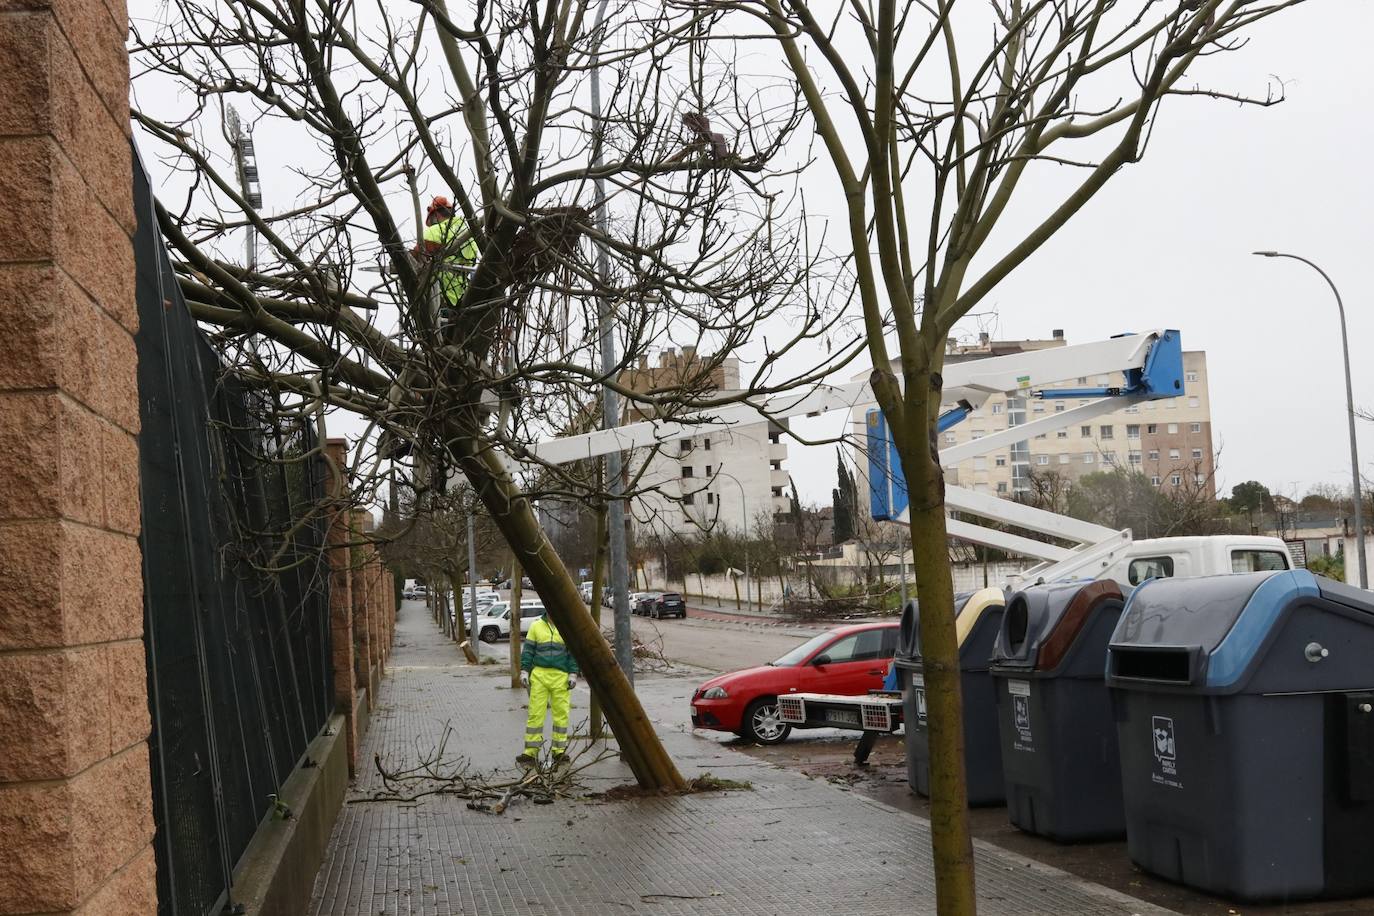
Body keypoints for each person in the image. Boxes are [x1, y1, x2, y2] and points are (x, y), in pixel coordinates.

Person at [517, 610, 580, 766]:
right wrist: (524, 670)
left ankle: (559, 752)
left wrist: (573, 673)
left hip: (561, 677)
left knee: (561, 715)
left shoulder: (566, 628)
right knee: (535, 713)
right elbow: (528, 651)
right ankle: (530, 753)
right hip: (539, 675)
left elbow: (573, 653)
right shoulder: (536, 626)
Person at [417, 195, 479, 316]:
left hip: (439, 295)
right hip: (462, 295)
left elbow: (417, 256)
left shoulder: (434, 231)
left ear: (436, 215)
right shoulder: (468, 232)